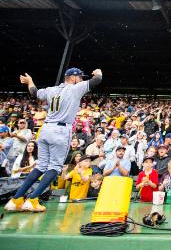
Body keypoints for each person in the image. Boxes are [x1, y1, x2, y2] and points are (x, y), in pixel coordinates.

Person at [4, 68, 102, 212]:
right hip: (61, 130)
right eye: (80, 77)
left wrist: (30, 81)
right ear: (73, 78)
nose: (81, 80)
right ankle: (32, 200)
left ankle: (16, 200)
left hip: (45, 129)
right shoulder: (75, 89)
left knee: (41, 166)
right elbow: (97, 79)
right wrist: (98, 72)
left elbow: (34, 92)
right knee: (55, 167)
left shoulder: (51, 90)